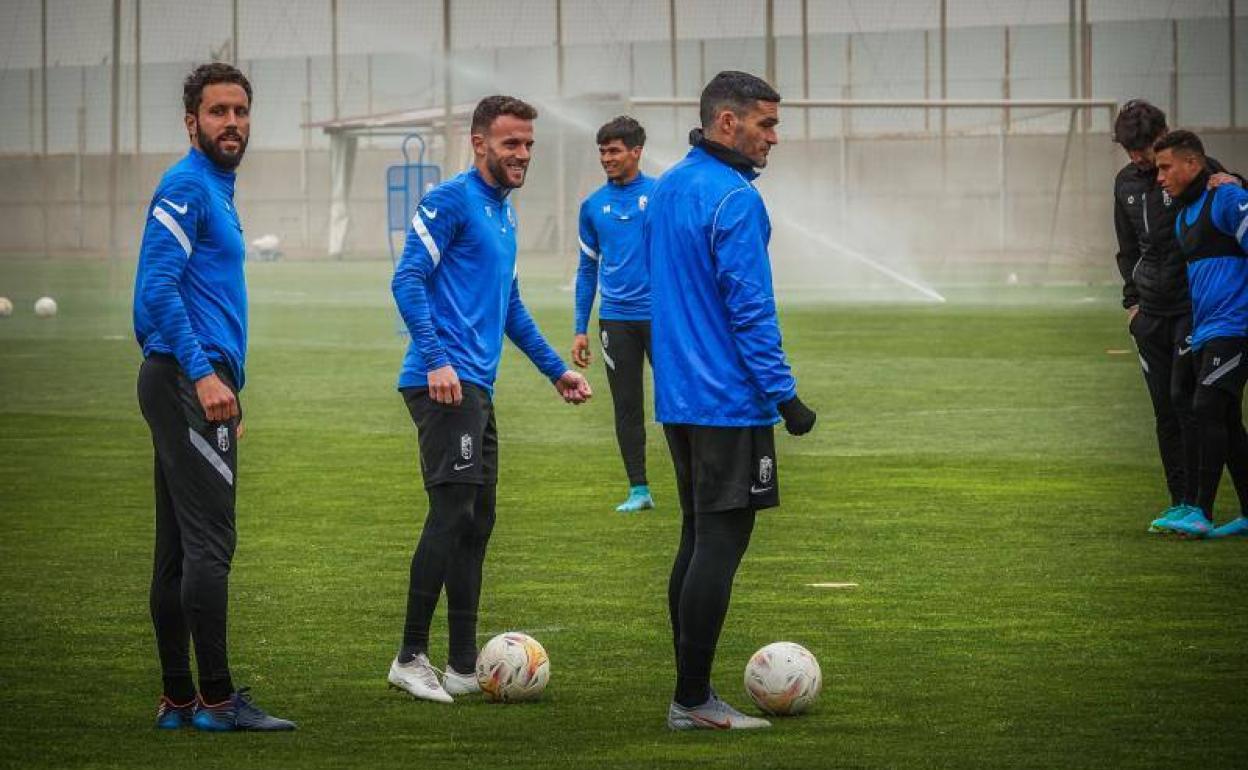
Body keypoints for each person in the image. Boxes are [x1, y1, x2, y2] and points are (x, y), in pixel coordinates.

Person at [388, 95, 593, 702]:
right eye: (511, 143)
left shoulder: (504, 214)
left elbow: (511, 308)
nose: (522, 154)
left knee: (477, 523)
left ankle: (458, 664)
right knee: (451, 515)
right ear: (479, 143)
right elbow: (407, 279)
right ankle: (409, 656)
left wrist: (556, 370)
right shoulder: (450, 200)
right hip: (442, 383)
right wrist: (436, 358)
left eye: (528, 144)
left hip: (477, 385)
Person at [644, 71, 817, 730]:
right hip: (727, 401)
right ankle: (692, 699)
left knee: (695, 536)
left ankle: (692, 689)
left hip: (680, 398)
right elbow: (751, 309)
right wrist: (786, 397)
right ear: (726, 123)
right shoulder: (733, 199)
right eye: (765, 124)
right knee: (721, 540)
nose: (774, 137)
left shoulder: (669, 188)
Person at [133, 63, 294, 731]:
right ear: (191, 120)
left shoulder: (216, 190)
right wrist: (203, 376)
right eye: (217, 111)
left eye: (240, 111)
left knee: (177, 548)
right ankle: (220, 701)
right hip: (184, 377)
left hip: (193, 381)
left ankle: (178, 698)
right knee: (209, 546)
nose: (232, 122)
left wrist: (221, 383)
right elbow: (157, 290)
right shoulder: (186, 186)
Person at [1110, 100, 1241, 533]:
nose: (1139, 160)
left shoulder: (1198, 173)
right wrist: (1132, 304)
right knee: (1165, 409)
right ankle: (1179, 502)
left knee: (1196, 406)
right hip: (1150, 313)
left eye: (1144, 149)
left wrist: (1240, 181)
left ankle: (1198, 505)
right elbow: (1128, 248)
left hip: (1193, 310)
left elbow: (1232, 201)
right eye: (1130, 151)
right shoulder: (1126, 183)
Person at [1153, 130, 1248, 539]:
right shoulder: (1183, 218)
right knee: (1225, 419)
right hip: (1207, 328)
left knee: (1207, 407)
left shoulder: (1226, 198)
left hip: (1236, 326)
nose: (1159, 177)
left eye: (1165, 167)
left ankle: (1200, 512)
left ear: (1193, 164)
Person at [571, 116, 658, 513]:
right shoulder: (592, 207)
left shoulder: (659, 196)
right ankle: (638, 489)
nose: (606, 158)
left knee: (677, 400)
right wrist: (580, 329)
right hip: (615, 320)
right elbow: (587, 269)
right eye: (602, 152)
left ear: (636, 152)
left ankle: (695, 481)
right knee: (626, 406)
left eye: (614, 151)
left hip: (661, 318)